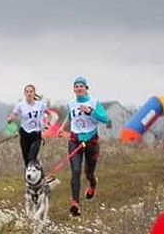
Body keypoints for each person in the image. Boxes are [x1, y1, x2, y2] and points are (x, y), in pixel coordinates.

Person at [58, 77, 110, 217]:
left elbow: (105, 119)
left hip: (91, 140)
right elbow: (70, 116)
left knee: (89, 173)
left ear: (86, 88)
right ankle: (75, 203)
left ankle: (93, 183)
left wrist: (90, 111)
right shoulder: (71, 103)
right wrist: (62, 128)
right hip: (75, 139)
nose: (79, 88)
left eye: (82, 86)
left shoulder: (93, 102)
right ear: (74, 89)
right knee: (75, 170)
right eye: (76, 86)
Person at [7, 84, 46, 167]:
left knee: (31, 158)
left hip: (36, 134)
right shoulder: (20, 105)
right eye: (27, 92)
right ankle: (29, 177)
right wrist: (10, 119)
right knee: (27, 160)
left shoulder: (40, 105)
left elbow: (49, 114)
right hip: (25, 133)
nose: (29, 93)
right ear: (25, 94)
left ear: (34, 93)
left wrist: (47, 123)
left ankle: (37, 173)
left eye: (31, 91)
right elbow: (14, 114)